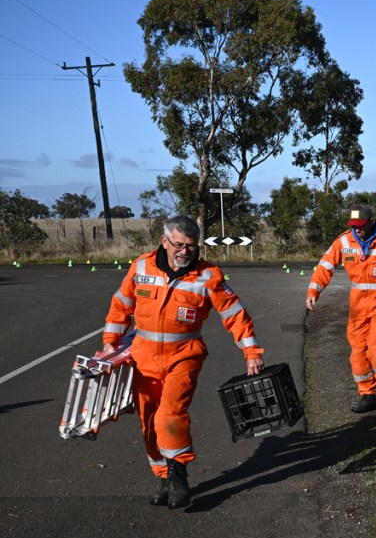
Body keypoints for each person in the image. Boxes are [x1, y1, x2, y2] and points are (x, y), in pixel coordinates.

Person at [102, 215, 264, 510]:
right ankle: (163, 477)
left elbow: (234, 314)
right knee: (148, 421)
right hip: (143, 359)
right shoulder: (140, 268)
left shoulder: (208, 276)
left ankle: (179, 476)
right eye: (179, 244)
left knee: (170, 416)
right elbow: (120, 307)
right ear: (165, 241)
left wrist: (252, 352)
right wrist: (109, 346)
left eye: (191, 246)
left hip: (184, 356)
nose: (185, 251)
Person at [305, 205, 376, 413]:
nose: (358, 230)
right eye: (354, 226)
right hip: (358, 306)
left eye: (361, 225)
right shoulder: (343, 241)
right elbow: (324, 267)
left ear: (372, 222)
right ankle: (367, 394)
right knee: (357, 352)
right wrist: (313, 291)